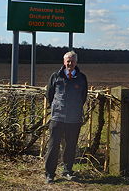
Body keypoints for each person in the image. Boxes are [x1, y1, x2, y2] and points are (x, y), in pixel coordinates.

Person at [44, 51, 88, 184]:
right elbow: (49, 95)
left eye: (72, 61)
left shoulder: (81, 77)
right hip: (57, 117)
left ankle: (68, 171)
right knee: (53, 146)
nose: (70, 63)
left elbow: (83, 96)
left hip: (74, 119)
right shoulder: (56, 76)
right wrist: (57, 107)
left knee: (70, 146)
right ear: (64, 62)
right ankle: (50, 174)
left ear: (76, 62)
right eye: (68, 61)